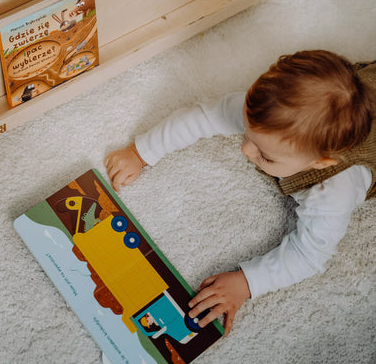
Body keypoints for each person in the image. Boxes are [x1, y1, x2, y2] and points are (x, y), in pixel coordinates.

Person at [104, 51, 376, 335]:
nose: (245, 150)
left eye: (265, 156)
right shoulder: (270, 117)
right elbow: (203, 115)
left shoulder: (332, 192)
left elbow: (309, 254)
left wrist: (247, 282)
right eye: (246, 132)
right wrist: (141, 152)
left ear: (319, 162)